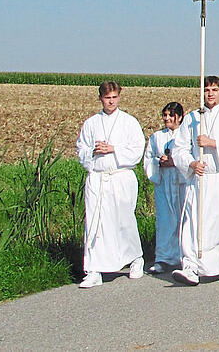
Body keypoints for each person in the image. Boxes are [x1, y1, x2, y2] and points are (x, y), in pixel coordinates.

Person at [171, 76, 219, 286]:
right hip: (200, 176)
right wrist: (191, 163)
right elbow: (179, 148)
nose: (210, 94)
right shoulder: (193, 118)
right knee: (193, 221)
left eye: (214, 89)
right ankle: (191, 266)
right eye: (206, 90)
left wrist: (212, 143)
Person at [75, 81, 146, 288]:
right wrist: (93, 151)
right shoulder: (91, 123)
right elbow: (81, 149)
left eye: (114, 97)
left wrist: (114, 149)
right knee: (96, 223)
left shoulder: (129, 122)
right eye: (107, 98)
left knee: (124, 221)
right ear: (100, 98)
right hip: (98, 178)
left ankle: (135, 258)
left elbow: (137, 150)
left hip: (120, 177)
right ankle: (94, 269)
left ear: (119, 97)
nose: (111, 102)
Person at [143, 101, 186, 274]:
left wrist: (175, 162)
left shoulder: (185, 135)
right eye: (165, 115)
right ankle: (163, 258)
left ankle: (185, 257)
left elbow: (190, 156)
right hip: (164, 182)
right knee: (165, 221)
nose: (167, 118)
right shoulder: (157, 137)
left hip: (181, 182)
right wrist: (158, 163)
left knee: (184, 220)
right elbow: (148, 158)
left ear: (180, 117)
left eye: (171, 115)